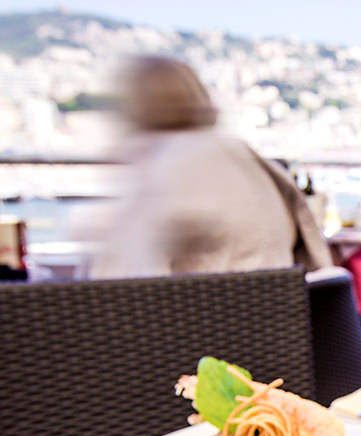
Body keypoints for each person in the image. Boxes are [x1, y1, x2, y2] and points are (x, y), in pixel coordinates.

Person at [89, 56, 331, 279]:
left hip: (201, 320)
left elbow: (118, 278)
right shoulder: (245, 158)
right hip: (276, 317)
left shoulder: (172, 164)